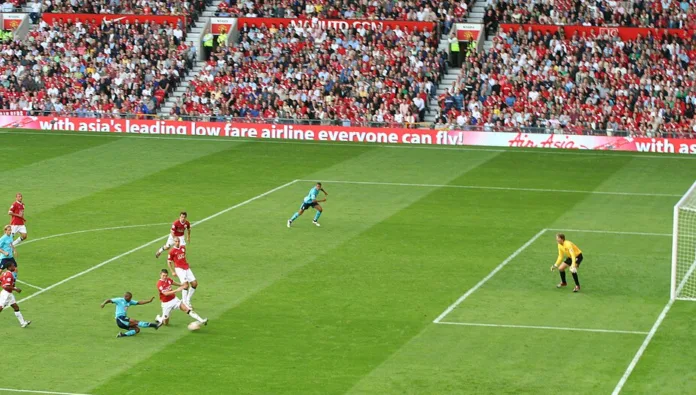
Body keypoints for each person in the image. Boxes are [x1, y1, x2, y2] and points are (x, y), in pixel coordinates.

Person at [167, 237, 198, 308]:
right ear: (174, 242)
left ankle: (188, 299)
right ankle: (184, 303)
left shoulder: (183, 248)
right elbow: (169, 262)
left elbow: (183, 257)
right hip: (179, 269)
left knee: (194, 283)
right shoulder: (171, 251)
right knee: (185, 285)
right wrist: (172, 271)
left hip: (186, 267)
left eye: (178, 241)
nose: (177, 243)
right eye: (176, 241)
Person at [0, 261, 30, 327]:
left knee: (15, 307)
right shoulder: (9, 275)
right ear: (9, 267)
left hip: (9, 293)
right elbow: (7, 286)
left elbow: (1, 281)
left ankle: (23, 323)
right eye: (13, 266)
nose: (14, 267)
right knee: (0, 308)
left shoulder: (5, 273)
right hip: (6, 294)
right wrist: (16, 289)